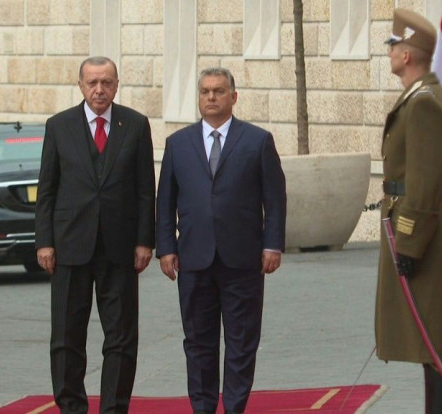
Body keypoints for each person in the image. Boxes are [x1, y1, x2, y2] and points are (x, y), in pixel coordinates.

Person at [156, 67, 287, 414]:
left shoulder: (257, 141)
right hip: (193, 260)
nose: (211, 97)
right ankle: (202, 407)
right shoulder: (178, 144)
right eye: (205, 91)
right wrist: (166, 248)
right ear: (198, 97)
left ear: (233, 96)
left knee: (242, 341)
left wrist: (272, 245)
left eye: (218, 91)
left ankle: (234, 407)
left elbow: (274, 199)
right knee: (198, 342)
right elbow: (165, 202)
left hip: (243, 260)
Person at [377, 9, 442, 413]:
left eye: (394, 46)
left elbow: (423, 185)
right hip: (423, 231)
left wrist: (408, 241)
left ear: (407, 54)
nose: (390, 52)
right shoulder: (422, 97)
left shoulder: (424, 103)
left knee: (437, 344)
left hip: (426, 237)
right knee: (432, 347)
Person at [35, 56, 155, 413]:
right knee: (67, 336)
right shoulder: (59, 126)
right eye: (92, 83)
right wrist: (44, 241)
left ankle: (114, 407)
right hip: (70, 245)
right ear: (81, 85)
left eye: (106, 82)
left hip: (120, 248)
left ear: (117, 85)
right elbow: (47, 189)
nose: (99, 89)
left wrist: (144, 240)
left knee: (120, 337)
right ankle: (71, 405)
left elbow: (145, 188)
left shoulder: (134, 124)